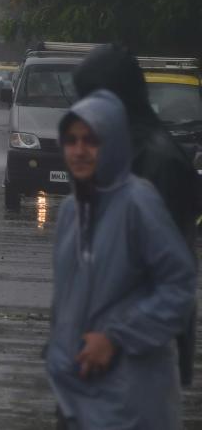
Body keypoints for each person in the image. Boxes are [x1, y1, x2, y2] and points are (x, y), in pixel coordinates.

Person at [46, 89, 196, 429]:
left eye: (91, 140)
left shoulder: (138, 203)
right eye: (71, 140)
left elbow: (179, 288)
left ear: (112, 143)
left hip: (132, 402)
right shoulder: (71, 211)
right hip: (80, 397)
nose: (79, 151)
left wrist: (116, 338)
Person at [73, 44, 199, 386]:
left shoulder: (158, 162)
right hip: (98, 350)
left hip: (138, 354)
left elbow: (170, 280)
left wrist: (117, 337)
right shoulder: (117, 151)